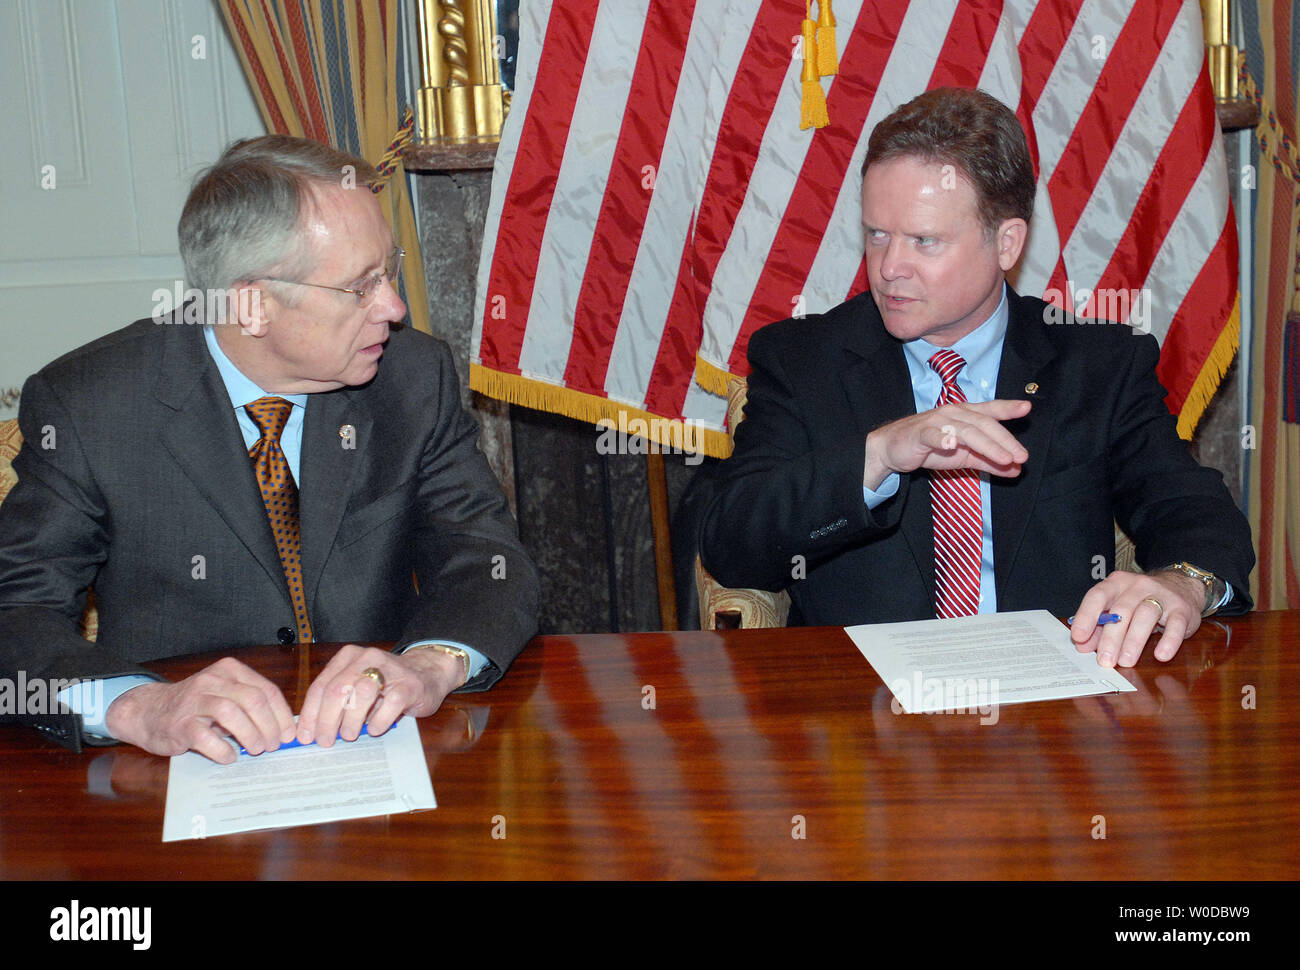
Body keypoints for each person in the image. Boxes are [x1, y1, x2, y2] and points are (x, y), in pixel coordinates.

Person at [0, 135, 539, 762]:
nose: (393, 308)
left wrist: (430, 663)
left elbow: (488, 559)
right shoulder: (91, 404)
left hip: (378, 750)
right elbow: (17, 608)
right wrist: (139, 706)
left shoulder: (413, 377)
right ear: (251, 305)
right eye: (358, 287)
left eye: (386, 269)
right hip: (179, 773)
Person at [699, 87, 1254, 668]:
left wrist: (1183, 583)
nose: (890, 268)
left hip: (1055, 710)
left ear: (1007, 242)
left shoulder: (1098, 366)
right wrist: (881, 453)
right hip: (862, 716)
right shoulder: (802, 360)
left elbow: (1194, 511)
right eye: (877, 234)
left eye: (925, 241)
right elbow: (734, 544)